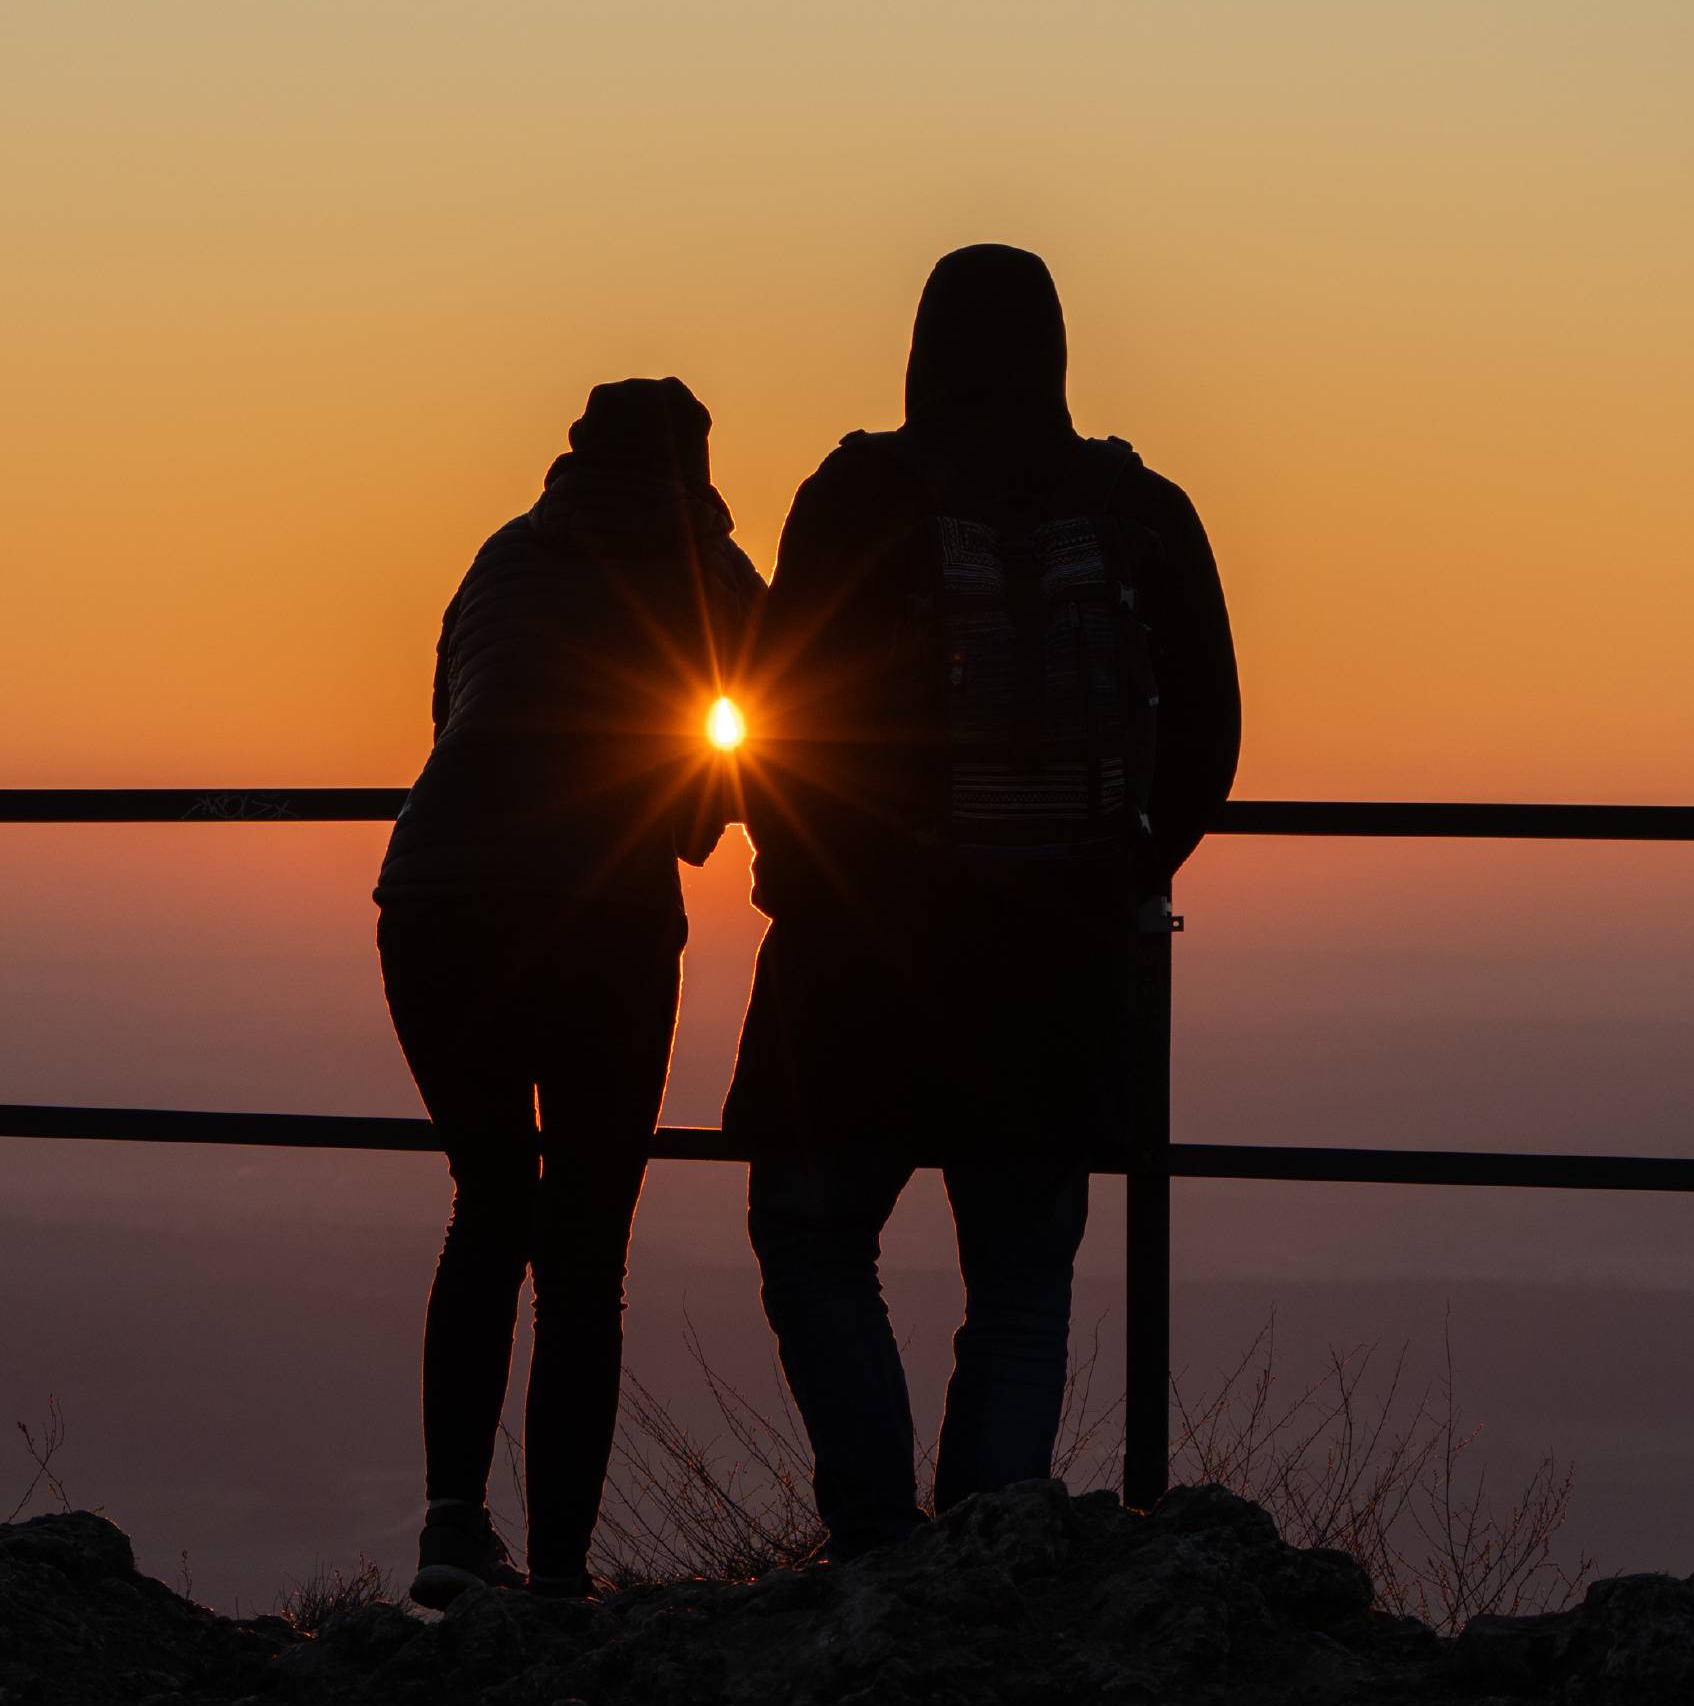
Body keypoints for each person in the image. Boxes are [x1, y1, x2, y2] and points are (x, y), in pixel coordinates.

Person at [723, 244, 1239, 1558]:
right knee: (1019, 1288)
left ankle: (880, 1544)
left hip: (863, 957)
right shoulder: (1142, 508)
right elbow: (1213, 729)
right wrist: (1124, 866)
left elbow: (775, 707)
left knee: (813, 1227)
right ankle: (987, 1568)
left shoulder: (856, 496)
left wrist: (804, 874)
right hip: (1059, 961)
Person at [375, 377, 765, 1605]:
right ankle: (557, 1582)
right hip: (599, 909)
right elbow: (793, 717)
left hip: (434, 893)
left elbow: (452, 711)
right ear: (694, 470)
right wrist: (699, 808)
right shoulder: (710, 564)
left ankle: (451, 1533)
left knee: (489, 1205)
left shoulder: (504, 552)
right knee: (585, 1248)